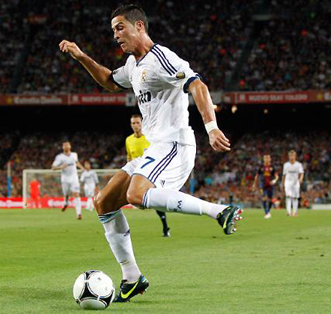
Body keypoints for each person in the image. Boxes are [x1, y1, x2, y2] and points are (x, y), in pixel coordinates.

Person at [59, 4, 241, 302]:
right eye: (113, 30)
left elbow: (198, 86)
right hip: (156, 147)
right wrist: (81, 57)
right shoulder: (133, 64)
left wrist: (211, 128)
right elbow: (108, 81)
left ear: (139, 26)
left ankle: (219, 211)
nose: (115, 35)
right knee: (103, 202)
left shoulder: (162, 58)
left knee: (135, 194)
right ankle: (132, 277)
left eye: (120, 27)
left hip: (175, 144)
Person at [126, 114, 170, 237]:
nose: (136, 125)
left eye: (138, 123)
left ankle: (165, 227)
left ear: (142, 123)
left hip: (151, 173)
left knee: (155, 200)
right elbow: (129, 156)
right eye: (133, 123)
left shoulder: (149, 138)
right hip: (136, 174)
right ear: (131, 125)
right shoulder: (128, 140)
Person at [51, 141, 84, 219]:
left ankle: (79, 213)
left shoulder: (74, 154)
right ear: (62, 147)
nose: (66, 146)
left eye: (67, 145)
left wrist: (82, 168)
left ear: (70, 146)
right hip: (65, 178)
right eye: (64, 145)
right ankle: (66, 203)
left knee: (76, 194)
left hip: (74, 178)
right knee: (66, 194)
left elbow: (76, 162)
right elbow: (53, 167)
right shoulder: (59, 157)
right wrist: (60, 167)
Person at [253, 154, 279, 219]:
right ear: (263, 159)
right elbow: (256, 176)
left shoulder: (272, 167)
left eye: (268, 158)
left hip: (270, 184)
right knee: (264, 197)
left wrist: (275, 180)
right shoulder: (261, 167)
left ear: (270, 159)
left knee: (270, 199)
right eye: (265, 158)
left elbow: (276, 176)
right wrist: (254, 184)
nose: (267, 159)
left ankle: (268, 211)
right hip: (263, 184)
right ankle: (266, 212)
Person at [282, 150, 304, 217]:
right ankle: (288, 212)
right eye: (290, 155)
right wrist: (283, 184)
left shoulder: (299, 164)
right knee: (288, 197)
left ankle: (294, 212)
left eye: (293, 155)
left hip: (295, 182)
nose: (292, 157)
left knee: (295, 197)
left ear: (295, 156)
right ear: (288, 156)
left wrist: (300, 179)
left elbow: (302, 173)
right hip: (287, 182)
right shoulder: (286, 165)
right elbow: (284, 175)